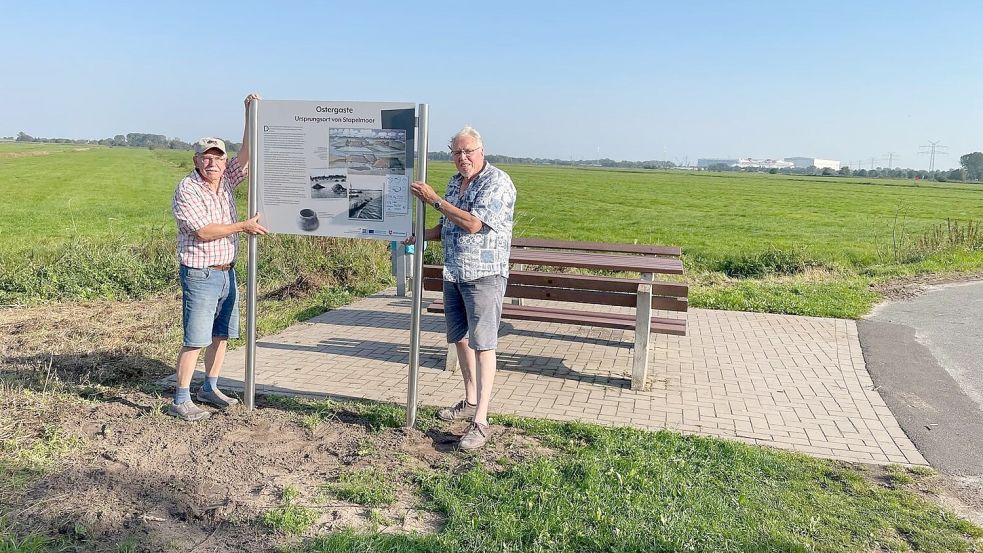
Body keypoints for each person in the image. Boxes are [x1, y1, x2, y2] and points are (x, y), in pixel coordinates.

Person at [409, 127, 516, 449]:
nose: (462, 158)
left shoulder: (497, 182)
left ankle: (481, 420)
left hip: (483, 273)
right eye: (456, 152)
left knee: (483, 344)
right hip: (454, 271)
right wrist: (419, 236)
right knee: (459, 338)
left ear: (481, 150)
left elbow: (472, 224)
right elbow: (447, 228)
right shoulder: (456, 182)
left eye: (468, 151)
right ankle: (469, 400)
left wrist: (434, 200)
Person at [169, 93, 268, 421]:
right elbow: (202, 231)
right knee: (195, 338)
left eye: (218, 158)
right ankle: (181, 399)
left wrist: (249, 114)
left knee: (221, 334)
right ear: (196, 160)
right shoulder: (187, 189)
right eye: (206, 158)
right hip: (200, 272)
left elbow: (248, 153)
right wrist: (243, 226)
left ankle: (209, 387)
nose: (213, 163)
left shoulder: (226, 180)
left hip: (227, 272)